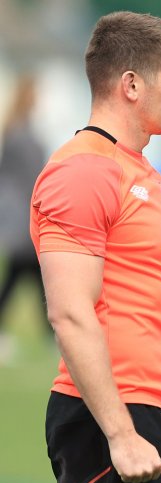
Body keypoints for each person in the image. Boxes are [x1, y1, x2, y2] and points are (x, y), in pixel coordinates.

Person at [30, 11, 161, 483]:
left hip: (149, 415)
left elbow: (146, 313)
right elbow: (70, 313)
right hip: (107, 420)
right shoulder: (84, 171)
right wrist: (120, 434)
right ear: (132, 84)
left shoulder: (141, 173)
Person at [0, 73, 49, 365]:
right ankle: (54, 335)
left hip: (21, 216)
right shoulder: (21, 135)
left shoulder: (18, 131)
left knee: (31, 277)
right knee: (26, 275)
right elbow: (32, 178)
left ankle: (52, 334)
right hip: (22, 218)